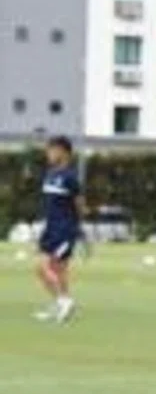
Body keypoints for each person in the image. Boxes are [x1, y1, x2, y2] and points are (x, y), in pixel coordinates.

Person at [33, 135, 82, 322]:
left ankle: (64, 301)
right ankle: (61, 304)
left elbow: (79, 204)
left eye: (52, 150)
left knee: (47, 267)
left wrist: (75, 228)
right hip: (50, 228)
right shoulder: (50, 174)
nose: (49, 154)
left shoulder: (70, 177)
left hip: (64, 230)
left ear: (63, 152)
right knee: (55, 271)